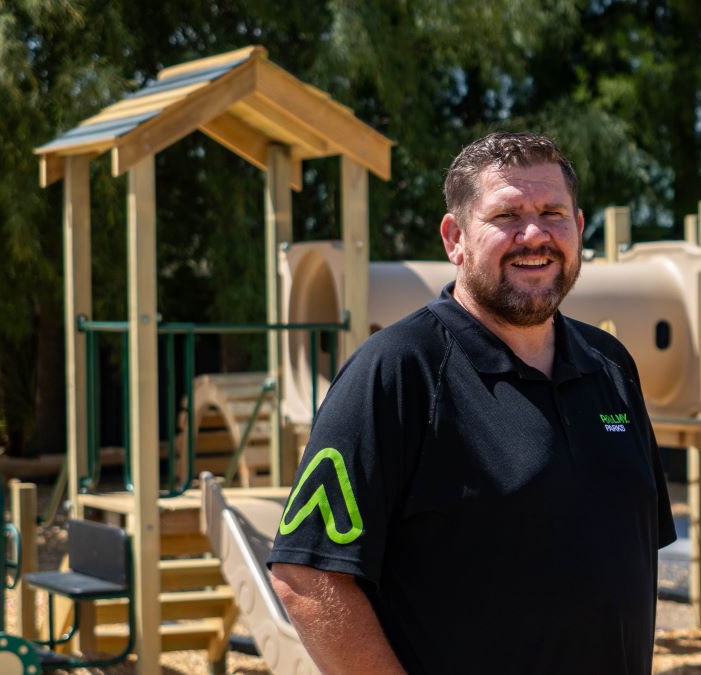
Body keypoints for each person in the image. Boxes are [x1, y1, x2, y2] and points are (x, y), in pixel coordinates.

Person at [268, 132, 676, 675]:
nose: (534, 235)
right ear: (454, 237)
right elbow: (308, 575)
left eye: (553, 213)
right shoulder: (398, 370)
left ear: (578, 230)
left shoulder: (610, 365)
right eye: (506, 216)